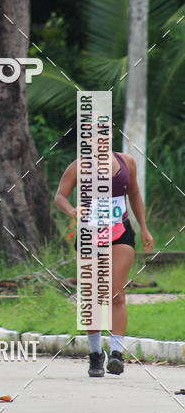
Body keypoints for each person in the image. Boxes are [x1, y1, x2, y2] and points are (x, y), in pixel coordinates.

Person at [55, 149, 153, 377]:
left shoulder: (126, 162)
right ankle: (96, 353)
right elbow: (60, 196)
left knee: (116, 292)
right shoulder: (79, 166)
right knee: (92, 296)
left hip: (120, 233)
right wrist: (72, 210)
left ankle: (116, 353)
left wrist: (144, 228)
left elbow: (134, 194)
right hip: (89, 235)